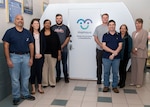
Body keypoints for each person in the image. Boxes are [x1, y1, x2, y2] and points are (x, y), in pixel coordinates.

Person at [2, 15, 35, 105]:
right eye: (18, 19)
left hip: (26, 57)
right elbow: (5, 46)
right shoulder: (9, 32)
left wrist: (31, 58)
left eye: (21, 19)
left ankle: (25, 94)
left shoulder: (27, 32)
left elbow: (31, 45)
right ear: (14, 21)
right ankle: (16, 96)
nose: (20, 20)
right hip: (14, 57)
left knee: (25, 77)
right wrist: (8, 59)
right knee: (15, 79)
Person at [102, 20, 122, 93]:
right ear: (108, 26)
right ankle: (106, 86)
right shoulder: (105, 35)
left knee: (115, 72)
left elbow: (120, 46)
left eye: (113, 24)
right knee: (106, 72)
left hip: (116, 58)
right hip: (106, 57)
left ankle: (114, 86)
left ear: (115, 26)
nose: (111, 26)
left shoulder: (118, 35)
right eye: (110, 25)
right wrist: (113, 52)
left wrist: (114, 54)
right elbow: (104, 46)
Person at [52, 14, 71, 83]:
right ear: (55, 19)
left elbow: (68, 38)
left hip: (64, 49)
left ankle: (66, 77)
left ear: (62, 19)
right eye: (57, 18)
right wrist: (57, 48)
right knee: (57, 64)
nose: (59, 19)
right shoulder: (52, 28)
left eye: (60, 18)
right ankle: (58, 77)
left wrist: (61, 46)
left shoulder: (65, 27)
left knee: (64, 63)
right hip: (55, 50)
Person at [42, 19, 61, 88]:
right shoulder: (41, 33)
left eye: (49, 23)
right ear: (44, 24)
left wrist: (59, 54)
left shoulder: (54, 34)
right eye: (46, 23)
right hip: (43, 54)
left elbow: (58, 45)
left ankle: (52, 82)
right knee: (44, 69)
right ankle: (45, 83)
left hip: (53, 54)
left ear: (50, 25)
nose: (47, 24)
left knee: (52, 68)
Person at [130, 18, 148, 88]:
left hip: (141, 53)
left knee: (140, 69)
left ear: (142, 24)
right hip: (133, 53)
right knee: (134, 68)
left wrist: (136, 49)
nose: (138, 25)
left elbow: (143, 43)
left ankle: (139, 83)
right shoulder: (133, 33)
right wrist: (132, 49)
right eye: (136, 23)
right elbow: (132, 43)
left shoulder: (145, 32)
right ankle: (133, 81)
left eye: (139, 23)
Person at [29, 18, 45, 94]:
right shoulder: (29, 34)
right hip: (32, 57)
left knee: (39, 72)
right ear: (32, 25)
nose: (36, 25)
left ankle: (39, 87)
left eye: (38, 23)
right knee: (32, 72)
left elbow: (44, 46)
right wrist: (33, 55)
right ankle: (33, 88)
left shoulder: (42, 34)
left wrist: (41, 54)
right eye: (35, 23)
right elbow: (27, 46)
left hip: (40, 57)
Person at [93, 13, 109, 84]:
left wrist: (106, 47)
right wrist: (101, 45)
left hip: (108, 51)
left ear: (108, 18)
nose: (105, 19)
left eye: (106, 18)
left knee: (107, 66)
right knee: (99, 65)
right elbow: (95, 38)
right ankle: (99, 79)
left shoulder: (110, 27)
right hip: (99, 50)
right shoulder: (98, 28)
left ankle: (106, 80)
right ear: (102, 19)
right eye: (104, 18)